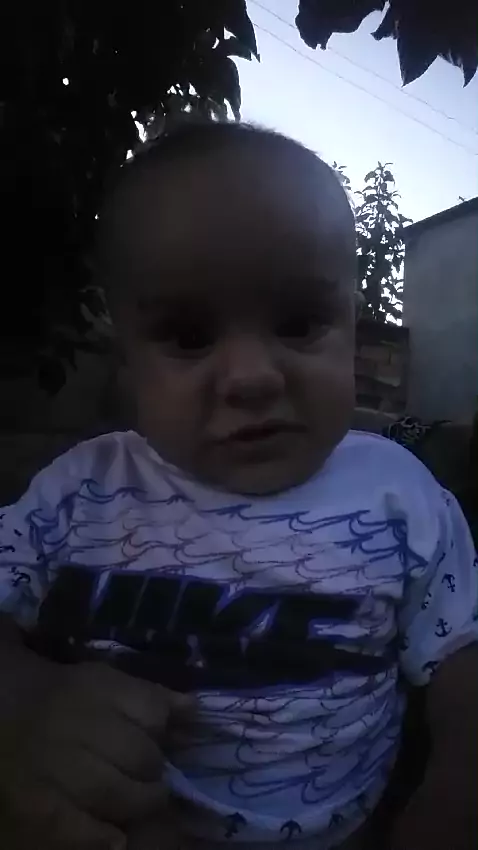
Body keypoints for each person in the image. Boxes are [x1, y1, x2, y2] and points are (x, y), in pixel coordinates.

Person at [0, 122, 476, 850]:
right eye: (190, 336)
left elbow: (461, 659)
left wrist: (452, 796)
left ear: (352, 325)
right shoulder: (80, 492)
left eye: (299, 322)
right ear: (124, 357)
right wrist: (22, 700)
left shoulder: (400, 495)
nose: (252, 376)